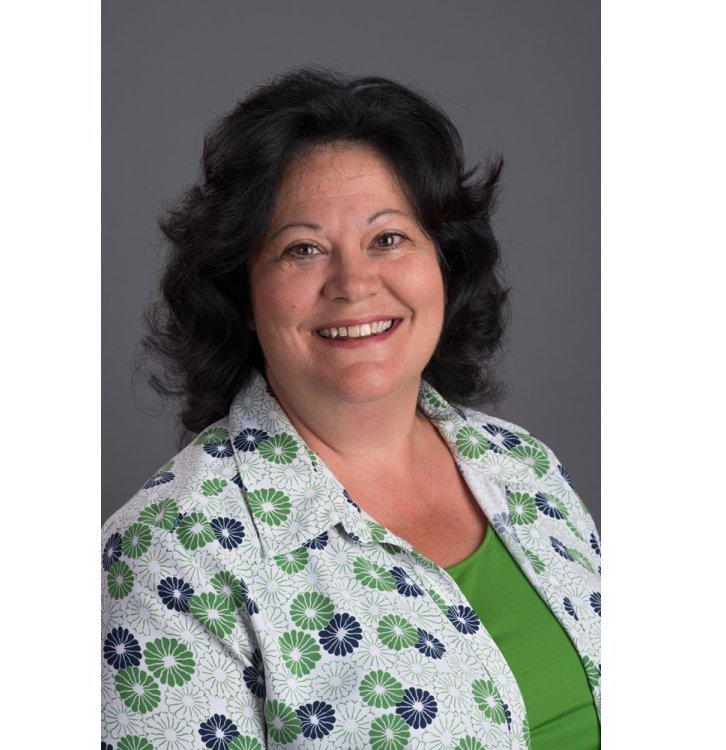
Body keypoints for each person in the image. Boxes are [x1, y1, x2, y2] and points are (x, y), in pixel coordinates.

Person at [102, 67, 600, 749]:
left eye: (388, 238)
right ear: (243, 293)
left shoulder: (523, 467)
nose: (354, 284)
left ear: (443, 264)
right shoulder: (167, 555)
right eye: (302, 249)